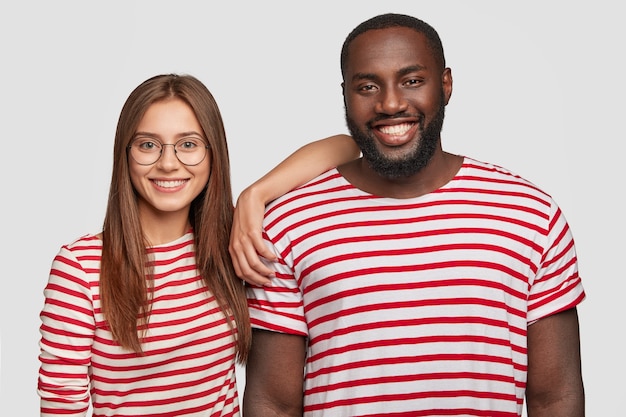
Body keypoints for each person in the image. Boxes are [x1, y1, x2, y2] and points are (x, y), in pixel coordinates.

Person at [239, 13, 586, 417]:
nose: (390, 103)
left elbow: (556, 396)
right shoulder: (288, 225)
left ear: (446, 85)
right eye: (367, 86)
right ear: (345, 95)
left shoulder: (531, 216)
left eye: (412, 81)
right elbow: (272, 404)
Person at [37, 73, 358, 417]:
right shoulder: (81, 268)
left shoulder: (230, 241)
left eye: (188, 144)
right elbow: (61, 403)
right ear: (125, 154)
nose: (169, 163)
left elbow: (347, 145)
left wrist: (256, 194)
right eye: (148, 144)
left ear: (212, 154)